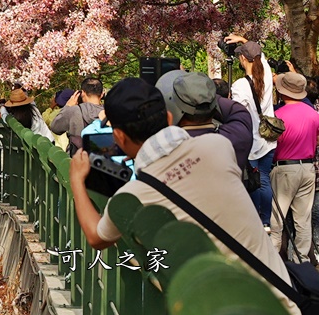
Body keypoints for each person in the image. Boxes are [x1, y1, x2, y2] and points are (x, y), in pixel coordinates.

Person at [68, 78, 300, 315]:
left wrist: (77, 179)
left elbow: (97, 237)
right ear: (169, 118)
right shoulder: (218, 146)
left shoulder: (134, 195)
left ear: (118, 136)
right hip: (283, 303)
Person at [156, 70, 253, 172]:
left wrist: (186, 90)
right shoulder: (237, 136)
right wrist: (203, 91)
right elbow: (235, 109)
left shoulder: (166, 149)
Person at [230, 37, 280, 228]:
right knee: (265, 179)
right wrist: (244, 39)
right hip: (268, 139)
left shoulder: (239, 85)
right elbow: (261, 56)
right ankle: (266, 221)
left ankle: (255, 222)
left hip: (250, 141)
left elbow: (238, 112)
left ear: (243, 59)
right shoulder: (267, 75)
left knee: (252, 181)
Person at [271, 71, 319, 262]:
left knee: (277, 220)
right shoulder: (314, 114)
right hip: (307, 168)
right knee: (303, 220)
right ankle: (303, 264)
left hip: (283, 168)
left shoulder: (276, 115)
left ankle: (273, 261)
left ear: (282, 92)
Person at [51, 78, 105, 154]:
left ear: (82, 93)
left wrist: (67, 106)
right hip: (104, 160)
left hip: (79, 159)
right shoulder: (110, 112)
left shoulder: (74, 110)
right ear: (102, 94)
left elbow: (55, 128)